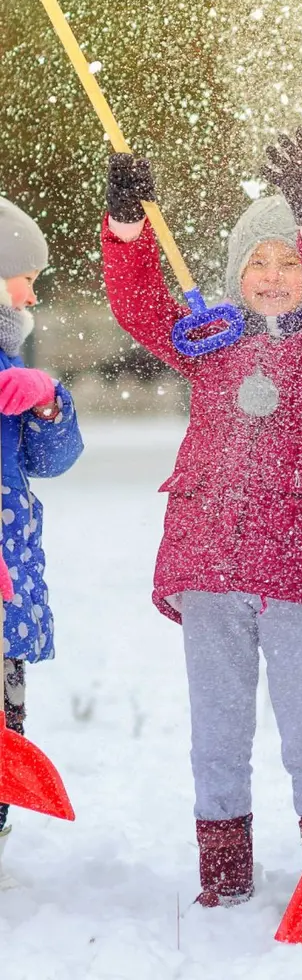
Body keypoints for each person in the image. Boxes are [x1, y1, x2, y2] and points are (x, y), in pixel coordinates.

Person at [101, 132, 302, 906]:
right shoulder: (208, 342)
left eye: (290, 261)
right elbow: (140, 306)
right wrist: (128, 227)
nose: (275, 275)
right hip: (209, 566)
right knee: (216, 736)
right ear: (234, 274)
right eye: (260, 261)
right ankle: (223, 878)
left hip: (300, 571)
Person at [0, 197, 84, 884]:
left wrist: (51, 402)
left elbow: (49, 460)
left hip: (8, 568)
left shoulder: (13, 357)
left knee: (5, 721)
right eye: (20, 276)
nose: (30, 291)